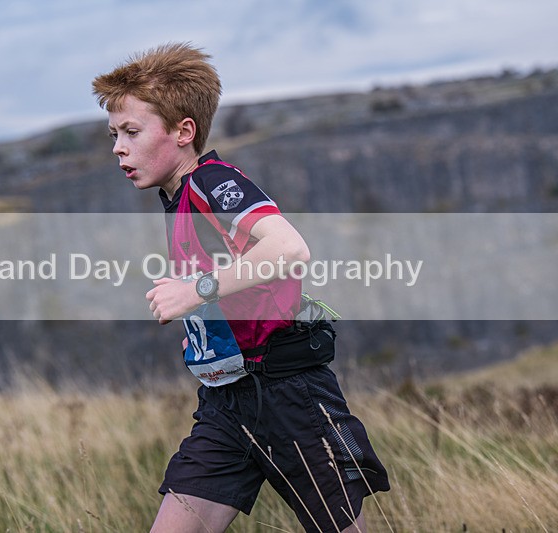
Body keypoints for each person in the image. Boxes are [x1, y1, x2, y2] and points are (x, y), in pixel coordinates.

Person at [93, 42, 389, 533]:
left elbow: (289, 248)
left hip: (289, 397)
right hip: (225, 404)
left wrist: (195, 290)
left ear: (184, 131)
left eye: (131, 131)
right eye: (114, 135)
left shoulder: (212, 183)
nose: (118, 148)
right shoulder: (178, 199)